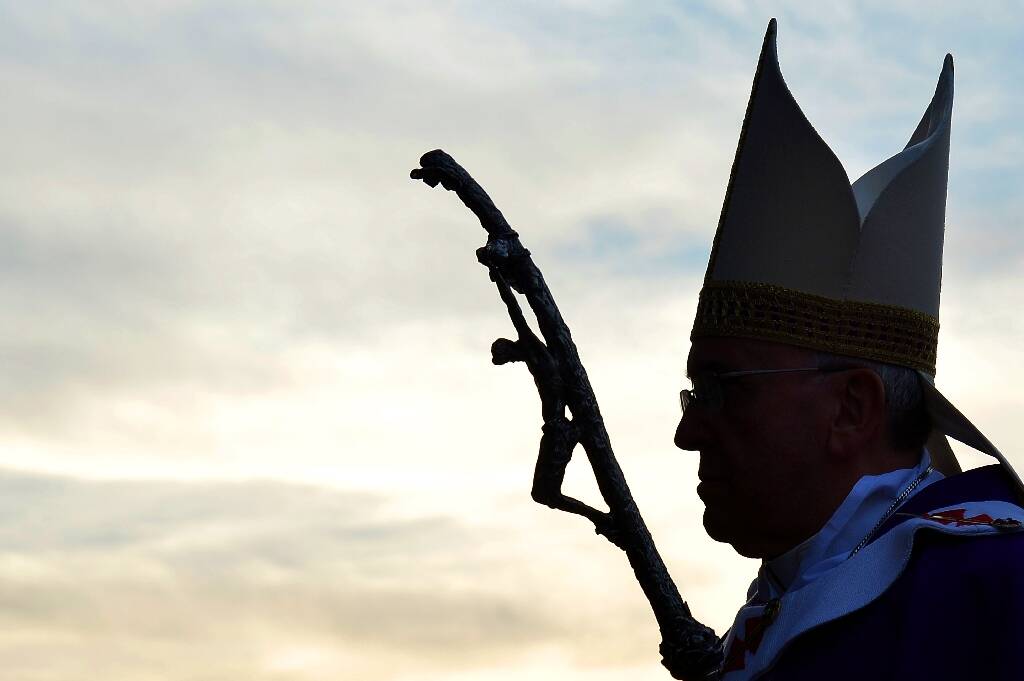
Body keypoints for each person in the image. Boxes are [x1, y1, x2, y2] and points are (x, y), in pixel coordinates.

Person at [673, 20, 1024, 681]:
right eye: (695, 393)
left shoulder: (997, 592)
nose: (687, 431)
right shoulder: (768, 620)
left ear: (851, 408)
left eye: (722, 389)